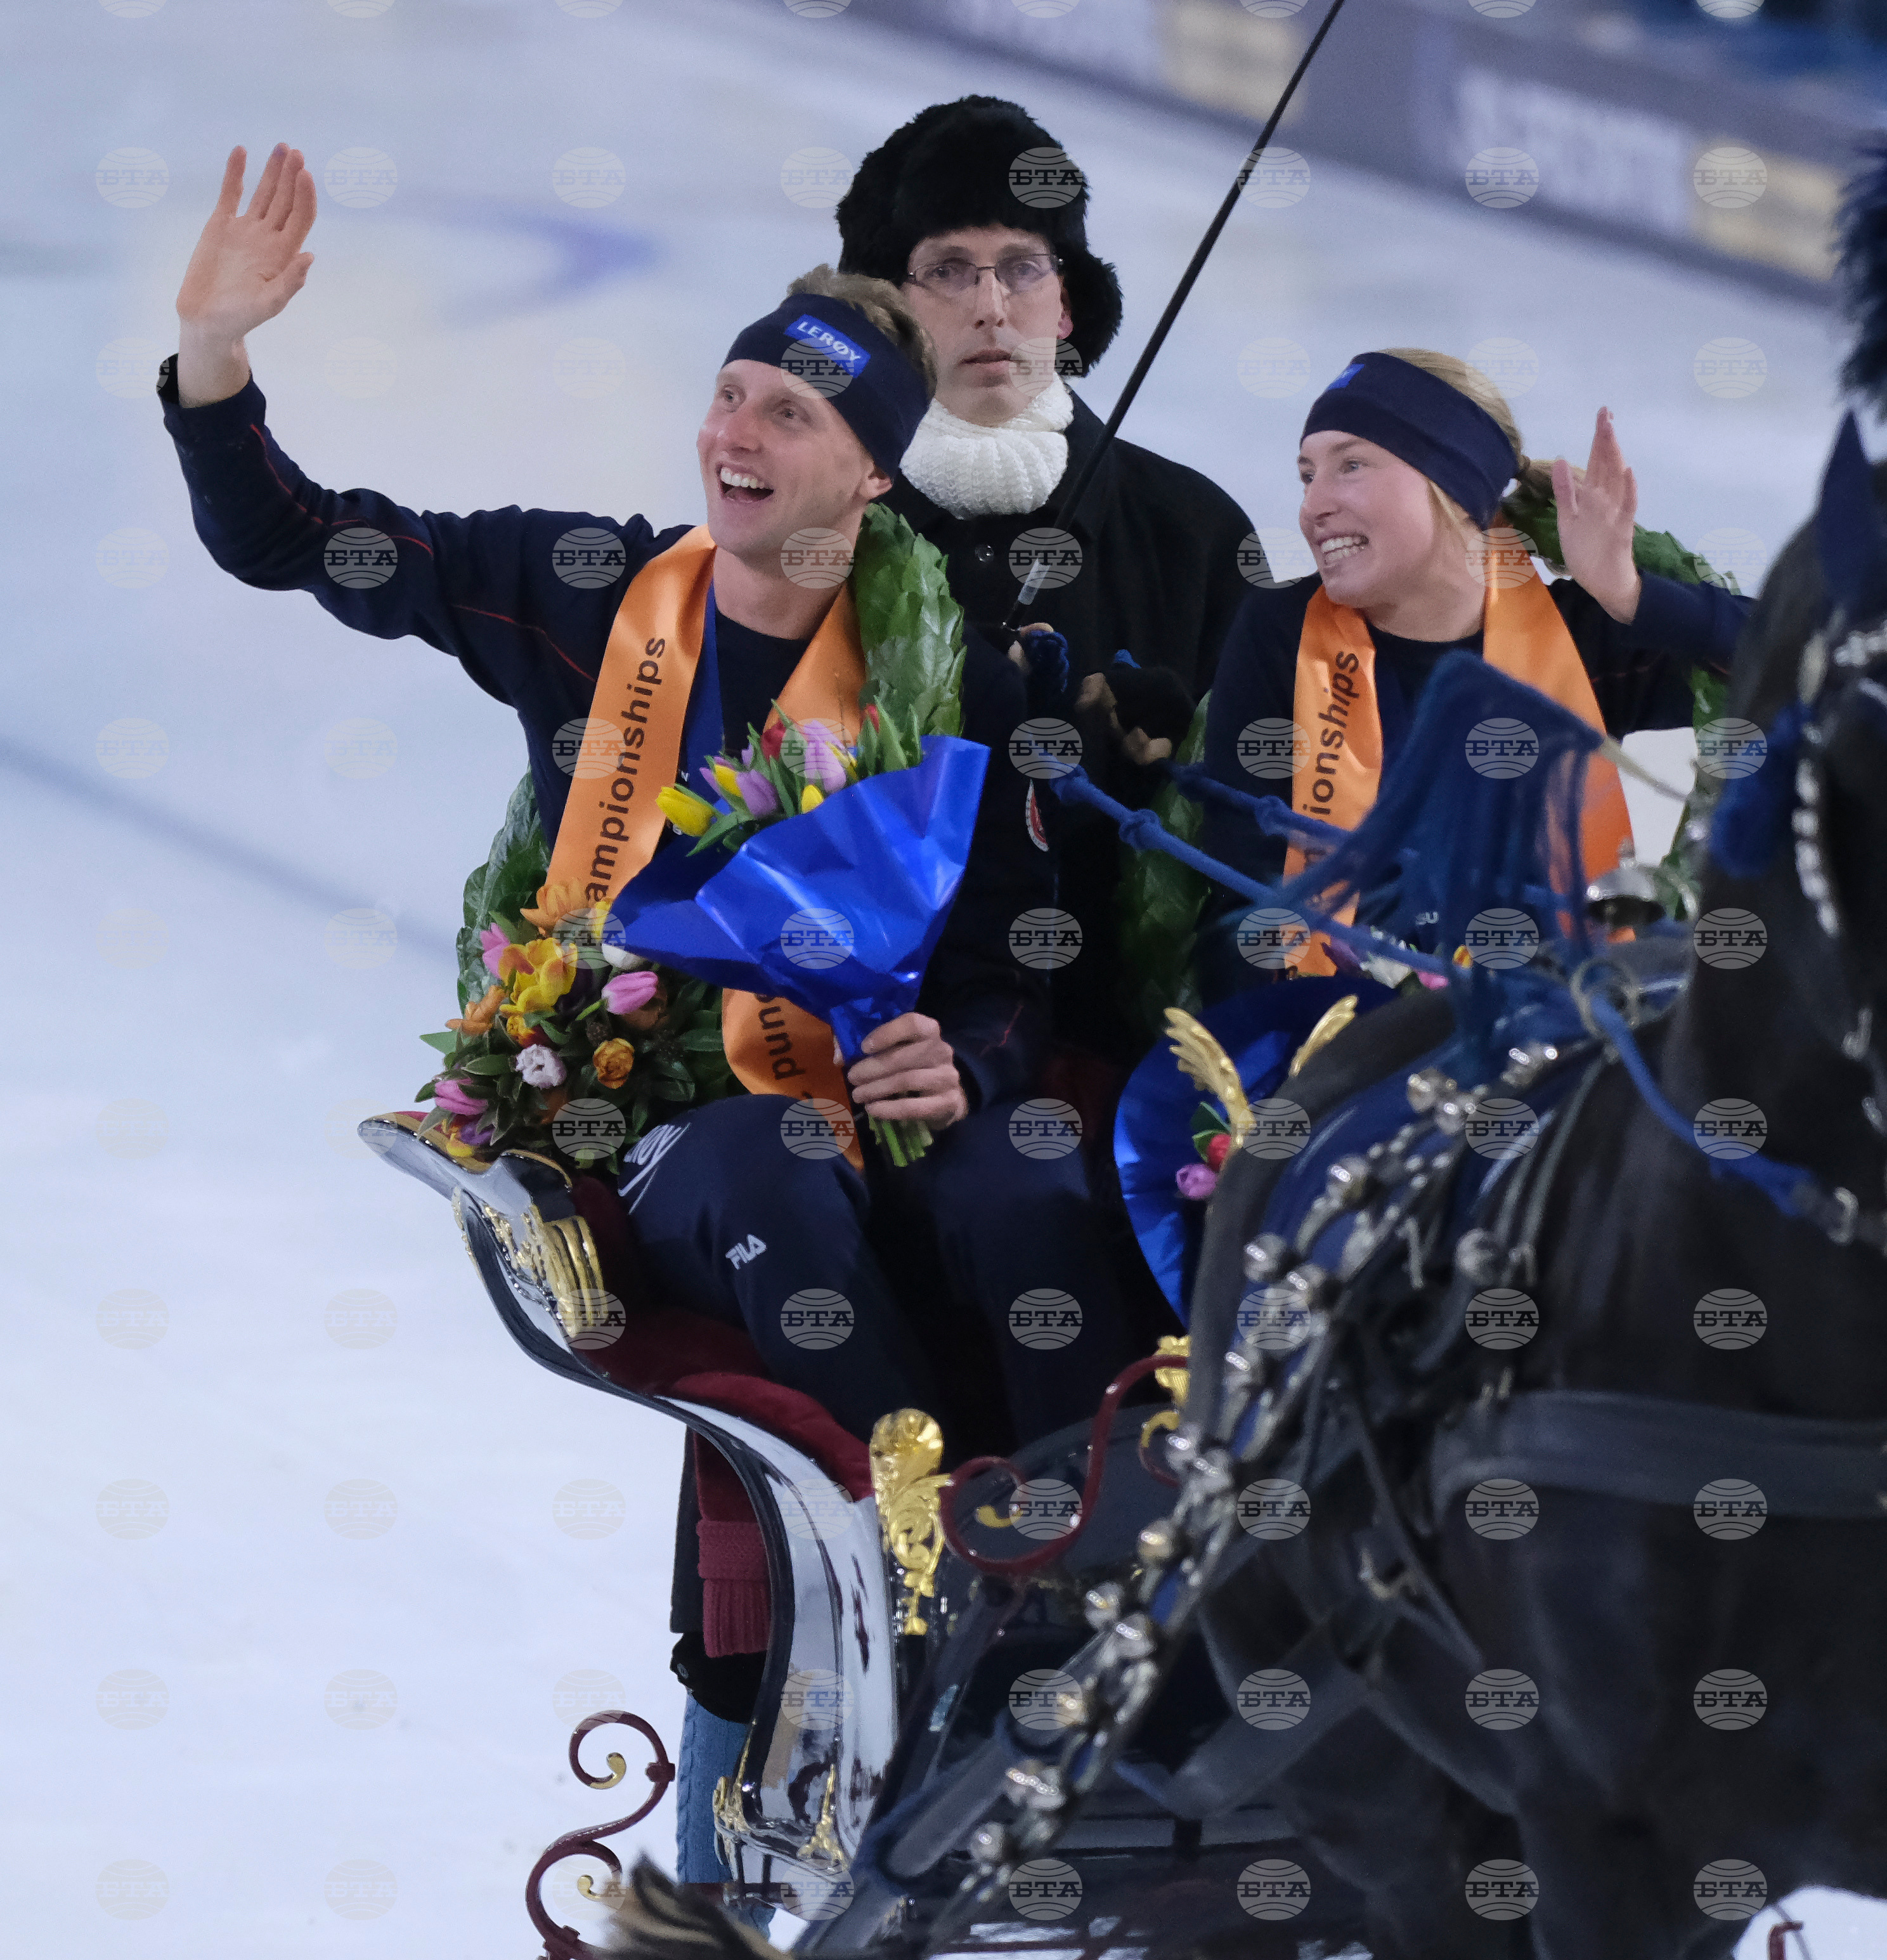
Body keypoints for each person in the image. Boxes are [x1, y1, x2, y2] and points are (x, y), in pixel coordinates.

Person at [164, 145, 1146, 1871]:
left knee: (1031, 1168)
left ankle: (1100, 1586)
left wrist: (964, 1057)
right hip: (647, 1125)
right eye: (728, 394)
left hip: (871, 1102)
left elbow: (1013, 957)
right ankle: (914, 1582)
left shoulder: (954, 675)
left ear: (871, 471)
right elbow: (290, 538)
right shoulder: (578, 588)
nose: (732, 435)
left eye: (787, 415)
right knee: (775, 1161)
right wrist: (215, 356)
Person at [836, 95, 1261, 1071]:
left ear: (1065, 304)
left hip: (1128, 1063)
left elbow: (1266, 833)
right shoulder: (823, 522)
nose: (991, 305)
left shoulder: (1196, 531)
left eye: (1022, 267)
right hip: (860, 1042)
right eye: (949, 270)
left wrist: (1177, 762)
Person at [1197, 348, 1752, 980]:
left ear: (1455, 489)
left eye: (1350, 466)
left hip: (1558, 1013)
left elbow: (1798, 666)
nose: (1313, 505)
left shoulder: (1584, 638)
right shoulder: (1280, 633)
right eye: (1306, 476)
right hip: (1328, 1018)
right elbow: (1244, 887)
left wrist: (1630, 595)